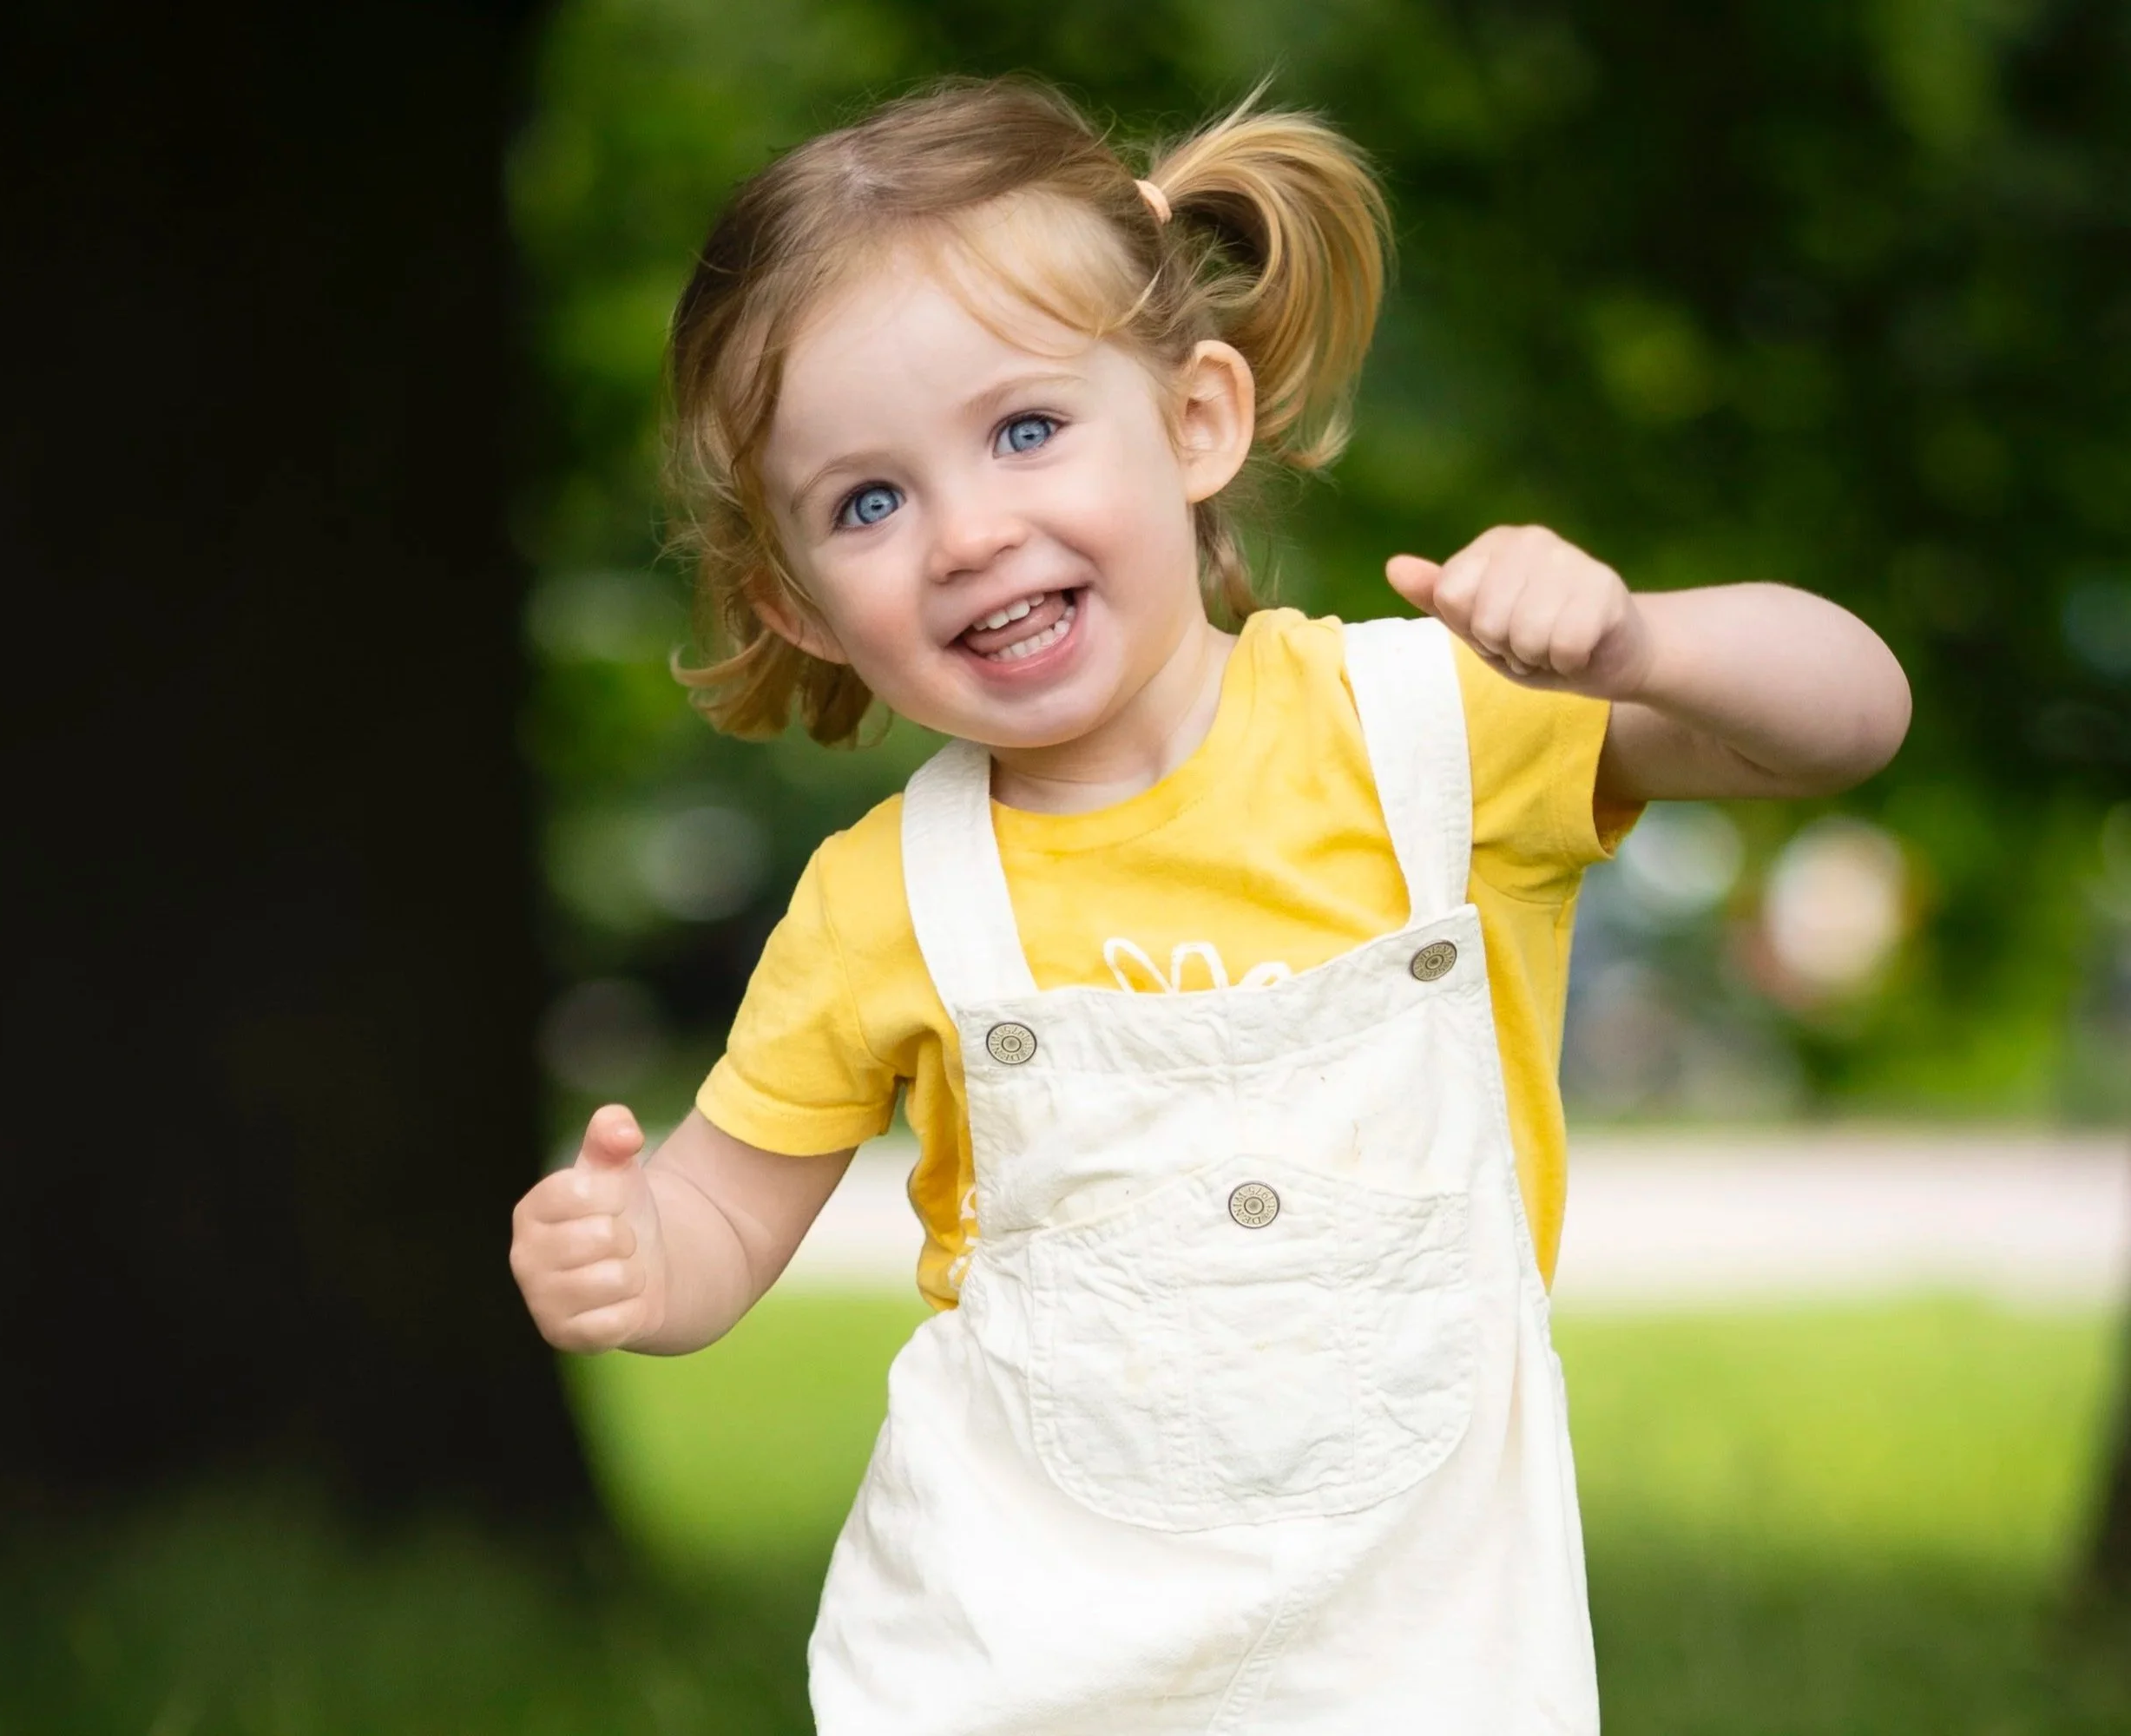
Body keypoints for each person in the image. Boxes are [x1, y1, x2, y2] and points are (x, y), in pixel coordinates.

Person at [509, 76, 1910, 1733]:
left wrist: (1644, 645)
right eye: (867, 503)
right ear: (796, 605)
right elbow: (726, 1227)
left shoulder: (1427, 740)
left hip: (1419, 1651)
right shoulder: (887, 896)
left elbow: (1849, 715)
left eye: (1024, 430)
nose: (967, 533)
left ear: (1196, 421)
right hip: (1020, 1658)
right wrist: (633, 1255)